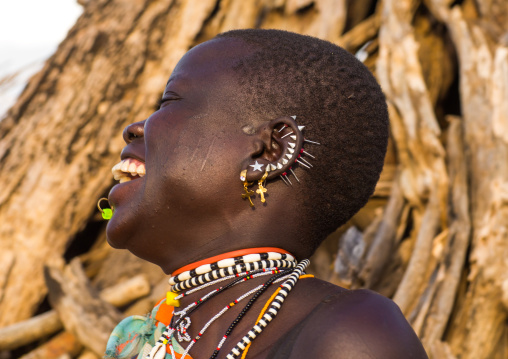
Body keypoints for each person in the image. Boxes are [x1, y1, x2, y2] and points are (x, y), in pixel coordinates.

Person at [103, 29, 428, 359]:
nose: (134, 127)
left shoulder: (354, 336)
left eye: (169, 101)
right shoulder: (151, 337)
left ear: (269, 152)